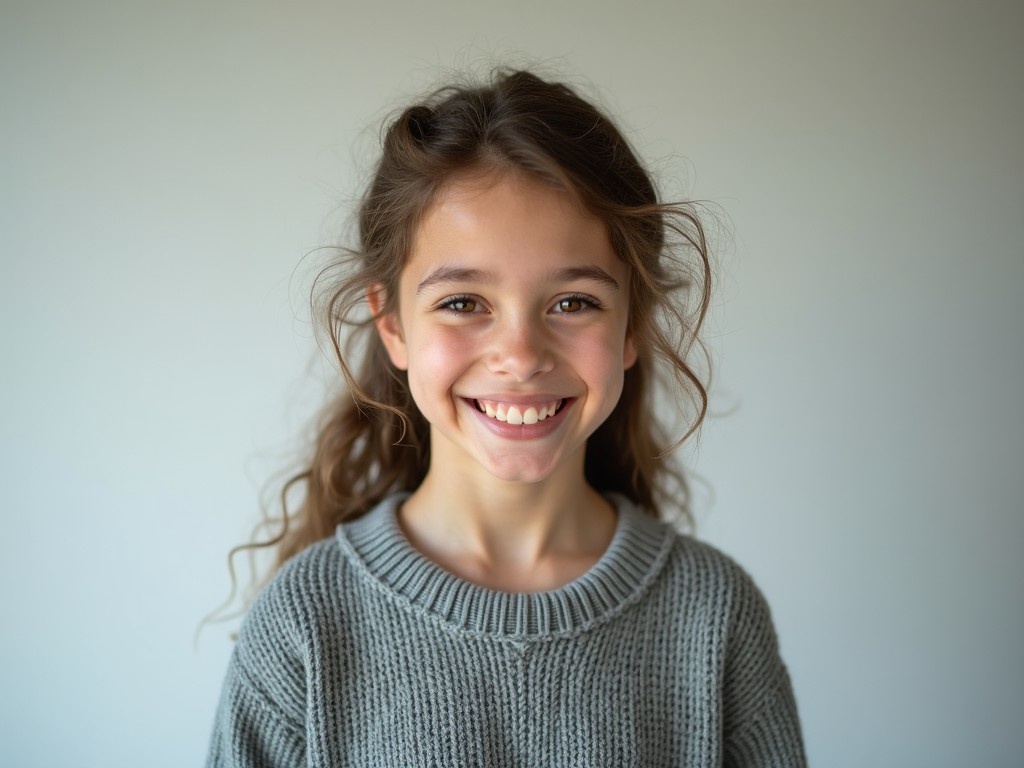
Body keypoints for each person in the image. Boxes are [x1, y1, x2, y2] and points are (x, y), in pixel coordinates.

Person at [206, 69, 806, 767]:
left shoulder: (715, 619)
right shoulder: (306, 623)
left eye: (573, 302)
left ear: (631, 325)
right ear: (392, 324)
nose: (520, 356)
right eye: (463, 302)